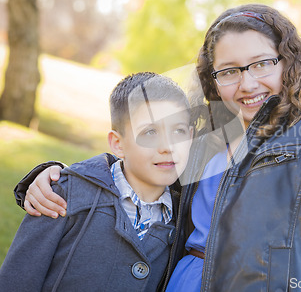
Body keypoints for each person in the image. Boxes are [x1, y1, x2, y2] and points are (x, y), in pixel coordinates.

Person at [13, 4, 301, 291]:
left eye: (262, 63)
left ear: (288, 62)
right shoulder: (206, 135)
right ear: (213, 78)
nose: (247, 84)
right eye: (229, 71)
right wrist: (56, 178)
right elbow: (141, 169)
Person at [0, 72, 193, 291]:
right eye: (150, 132)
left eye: (179, 131)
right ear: (118, 144)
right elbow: (17, 279)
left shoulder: (185, 219)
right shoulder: (62, 196)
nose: (168, 146)